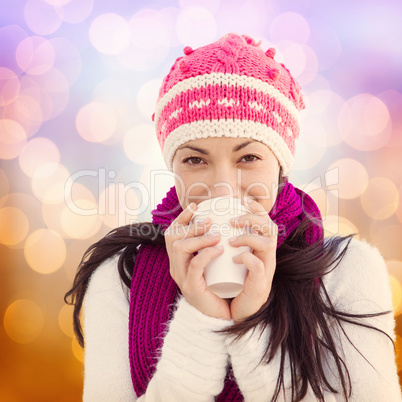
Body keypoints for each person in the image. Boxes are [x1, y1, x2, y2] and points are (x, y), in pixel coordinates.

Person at [65, 33, 401, 401]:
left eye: (248, 158)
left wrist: (250, 325)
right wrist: (201, 317)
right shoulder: (120, 276)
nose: (223, 187)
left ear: (280, 166)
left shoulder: (348, 271)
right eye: (195, 160)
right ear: (172, 167)